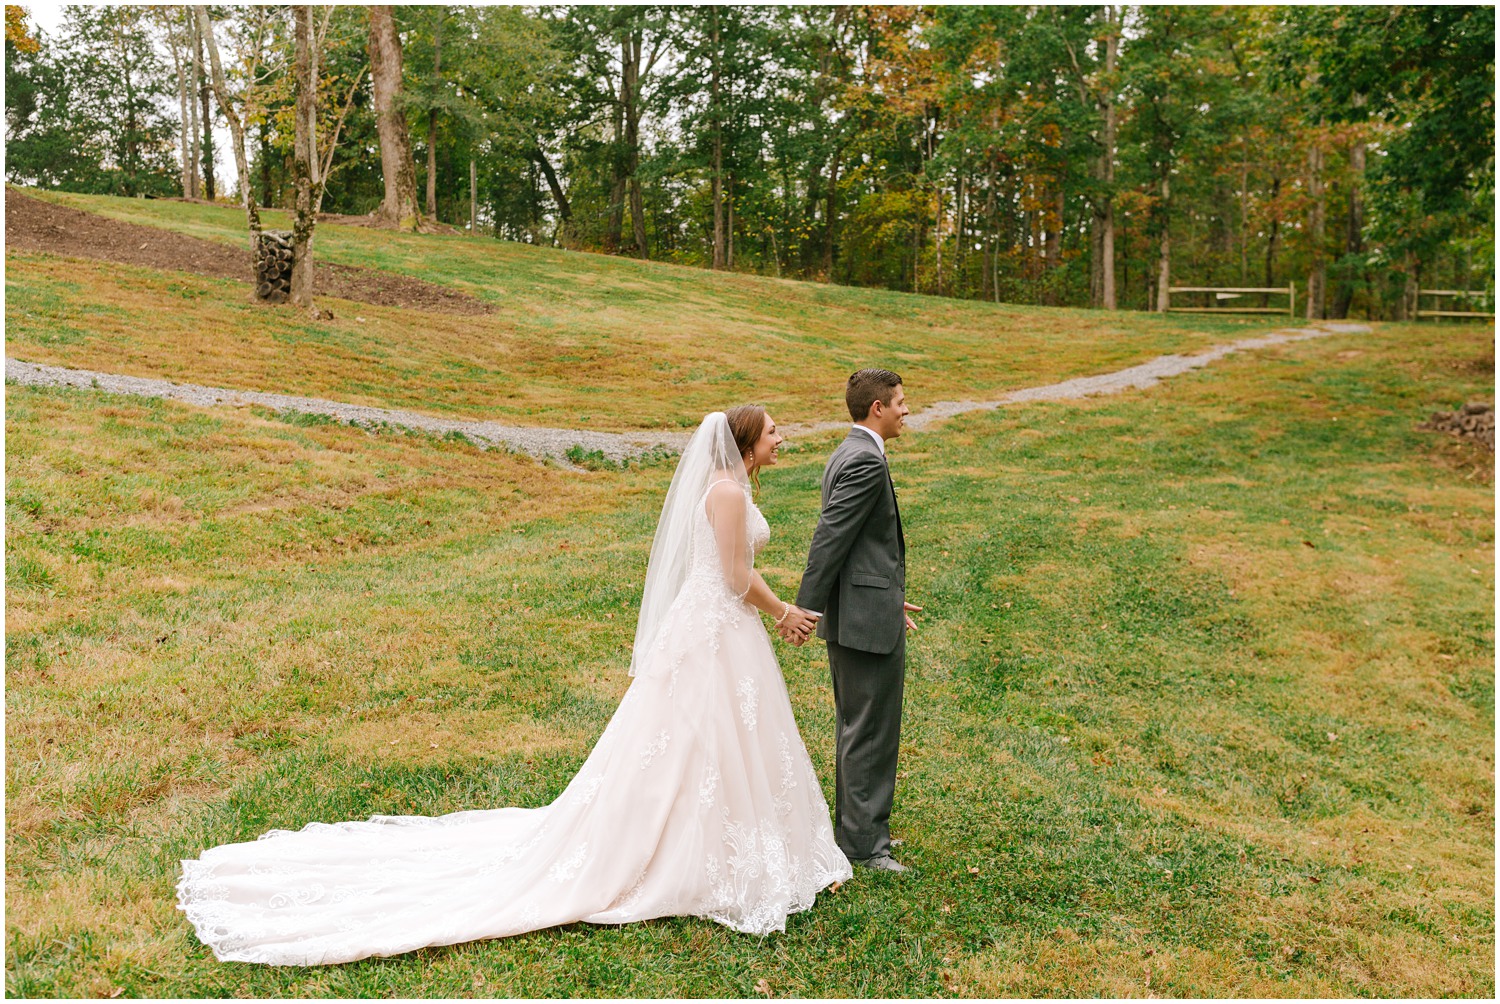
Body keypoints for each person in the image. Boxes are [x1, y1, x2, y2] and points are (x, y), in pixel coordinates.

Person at [176, 407, 850, 966]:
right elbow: (734, 576)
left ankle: (717, 839)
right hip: (715, 632)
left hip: (715, 632)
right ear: (745, 443)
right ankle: (697, 853)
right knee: (698, 740)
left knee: (707, 743)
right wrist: (784, 611)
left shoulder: (731, 487)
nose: (781, 438)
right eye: (772, 432)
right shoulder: (728, 492)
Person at [795, 369, 920, 873]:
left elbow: (855, 544)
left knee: (857, 726)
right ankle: (866, 847)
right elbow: (831, 537)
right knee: (871, 730)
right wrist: (805, 607)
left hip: (864, 611)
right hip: (862, 625)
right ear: (877, 408)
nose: (906, 410)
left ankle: (856, 833)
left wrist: (887, 599)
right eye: (901, 402)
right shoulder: (866, 460)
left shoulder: (848, 451)